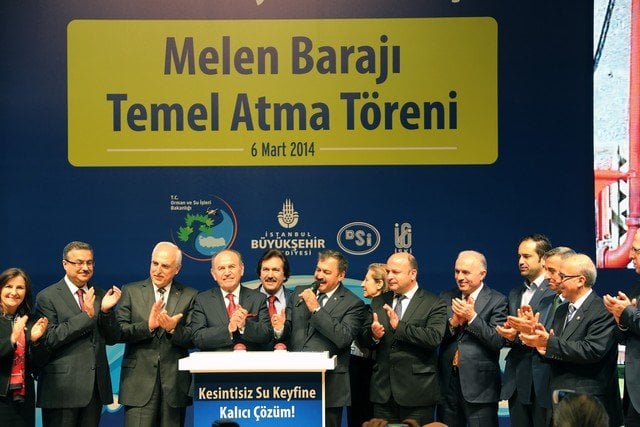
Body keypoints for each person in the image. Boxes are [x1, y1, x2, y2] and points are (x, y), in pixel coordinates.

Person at [519, 253, 622, 427]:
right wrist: (539, 342)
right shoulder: (561, 310)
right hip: (560, 399)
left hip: (589, 405)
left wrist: (549, 343)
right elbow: (559, 350)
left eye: (563, 276)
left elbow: (591, 350)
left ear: (581, 280)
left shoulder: (602, 310)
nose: (558, 281)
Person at [110, 241, 197, 427]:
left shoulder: (190, 295)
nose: (158, 270)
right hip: (138, 384)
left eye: (165, 266)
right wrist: (148, 326)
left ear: (177, 269)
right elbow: (118, 333)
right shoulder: (131, 291)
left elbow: (194, 338)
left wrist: (173, 329)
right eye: (154, 263)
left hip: (174, 385)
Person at [34, 241, 121, 427]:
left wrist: (106, 312)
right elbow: (50, 338)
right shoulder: (47, 297)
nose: (85, 267)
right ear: (65, 264)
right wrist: (86, 317)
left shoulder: (99, 294)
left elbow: (113, 338)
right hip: (62, 389)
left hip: (94, 389)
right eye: (79, 262)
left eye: (90, 262)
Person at [359, 253, 446, 424]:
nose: (390, 276)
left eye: (396, 272)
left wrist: (399, 327)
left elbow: (434, 338)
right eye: (388, 272)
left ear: (412, 274)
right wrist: (374, 335)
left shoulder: (433, 303)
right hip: (383, 393)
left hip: (417, 394)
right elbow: (364, 340)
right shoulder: (378, 301)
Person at [287, 249, 366, 427]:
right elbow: (289, 330)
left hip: (330, 385)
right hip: (295, 383)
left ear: (341, 275)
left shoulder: (353, 303)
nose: (319, 276)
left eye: (326, 272)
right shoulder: (300, 292)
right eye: (318, 270)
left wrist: (316, 308)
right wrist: (279, 328)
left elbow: (343, 338)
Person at [437, 250, 507, 427]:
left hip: (481, 388)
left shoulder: (497, 300)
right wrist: (453, 323)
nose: (460, 277)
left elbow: (497, 341)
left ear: (482, 274)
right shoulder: (445, 297)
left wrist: (472, 318)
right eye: (457, 271)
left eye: (466, 272)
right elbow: (435, 337)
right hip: (448, 386)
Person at [496, 234, 554, 427]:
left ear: (543, 259)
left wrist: (529, 332)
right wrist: (510, 335)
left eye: (527, 256)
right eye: (519, 256)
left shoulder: (556, 291)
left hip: (543, 379)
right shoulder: (515, 293)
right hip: (517, 381)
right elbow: (514, 335)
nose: (520, 261)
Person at [190, 249, 272, 351]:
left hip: (249, 360)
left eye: (231, 267)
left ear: (242, 269)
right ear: (213, 274)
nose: (227, 273)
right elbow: (197, 338)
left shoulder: (258, 298)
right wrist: (228, 329)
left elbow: (267, 335)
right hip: (215, 361)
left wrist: (245, 325)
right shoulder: (202, 300)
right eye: (221, 268)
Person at [0, 268, 48, 427]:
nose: (14, 292)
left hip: (22, 399)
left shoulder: (31, 321)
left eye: (20, 287)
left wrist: (35, 341)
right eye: (8, 286)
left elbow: (38, 364)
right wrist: (12, 339)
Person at [603, 228, 640, 427]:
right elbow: (624, 337)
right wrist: (621, 320)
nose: (631, 255)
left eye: (637, 250)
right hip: (634, 395)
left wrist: (628, 312)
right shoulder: (636, 288)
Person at [349, 263, 389, 427]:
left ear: (379, 284)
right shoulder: (364, 310)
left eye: (366, 280)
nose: (362, 284)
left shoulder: (388, 312)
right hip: (359, 378)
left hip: (374, 381)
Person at [256, 249, 292, 349]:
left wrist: (281, 328)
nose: (270, 275)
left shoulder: (296, 299)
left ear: (284, 275)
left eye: (275, 270)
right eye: (266, 269)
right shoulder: (247, 299)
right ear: (260, 274)